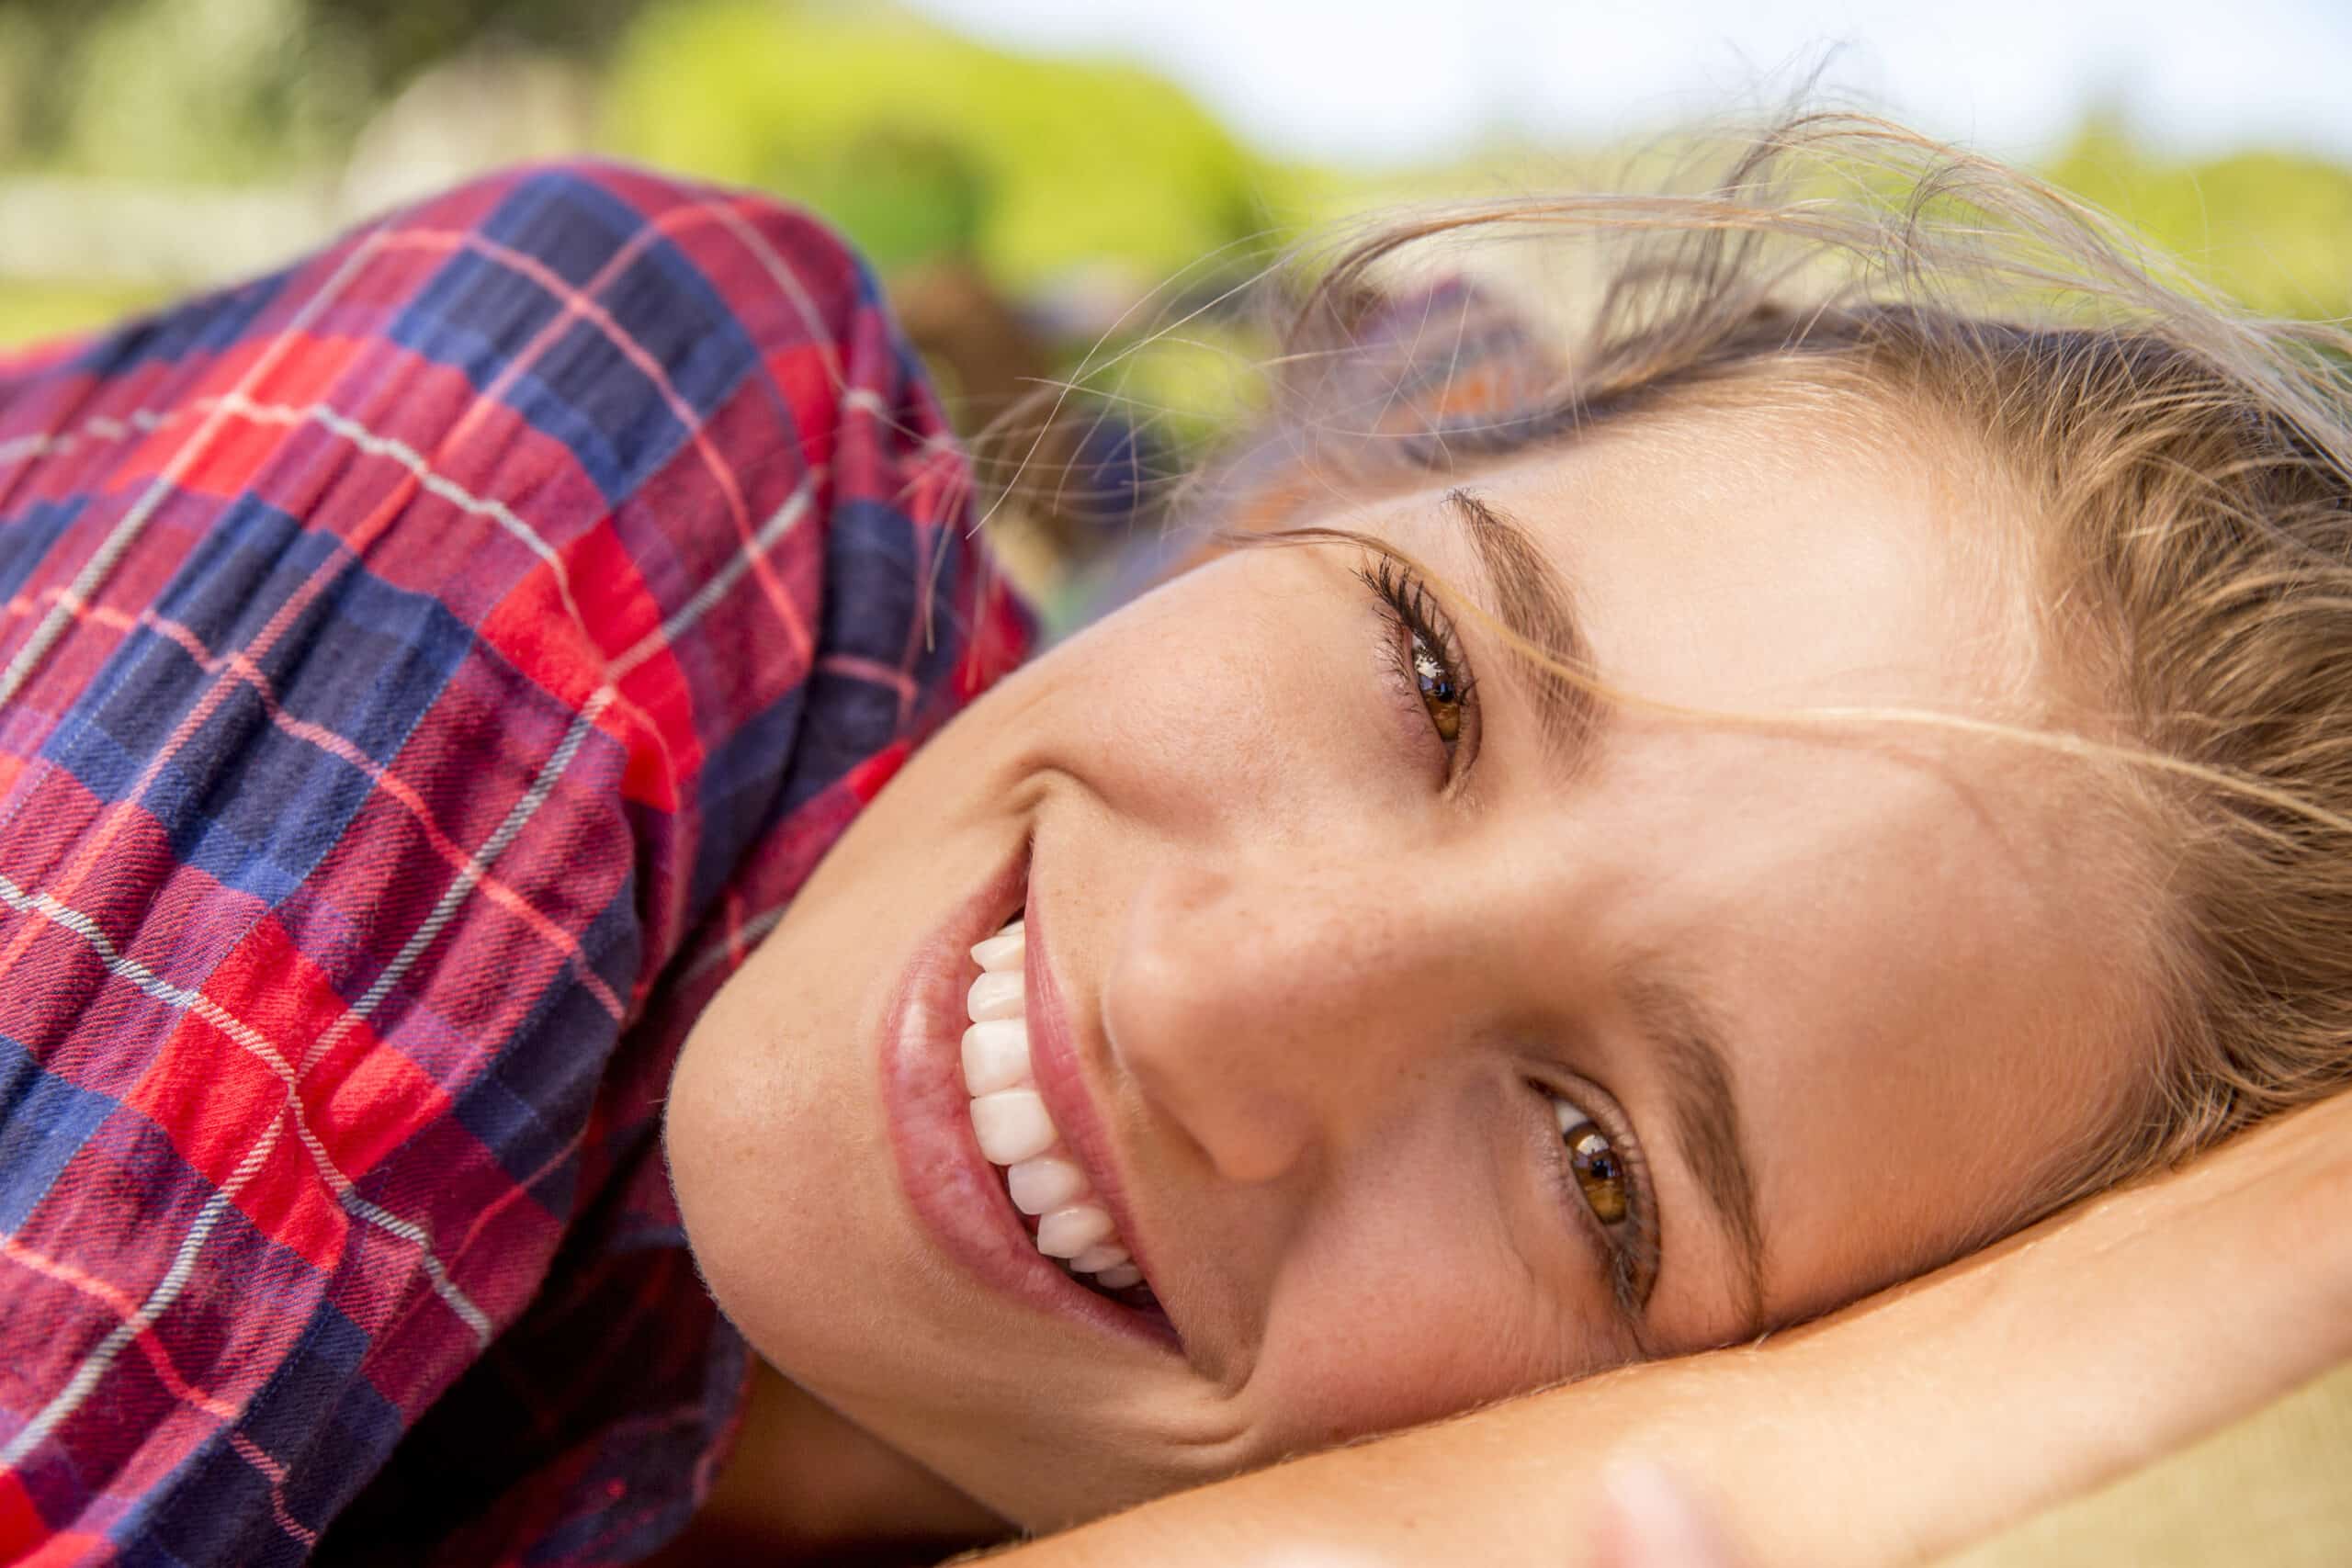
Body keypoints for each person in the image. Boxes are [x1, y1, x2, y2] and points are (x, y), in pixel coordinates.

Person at [0, 109, 2346, 1568]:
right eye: (1429, 671)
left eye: (1594, 1166)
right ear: (1308, 496)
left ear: (1671, 1393)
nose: (1227, 998)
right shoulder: (618, 433)